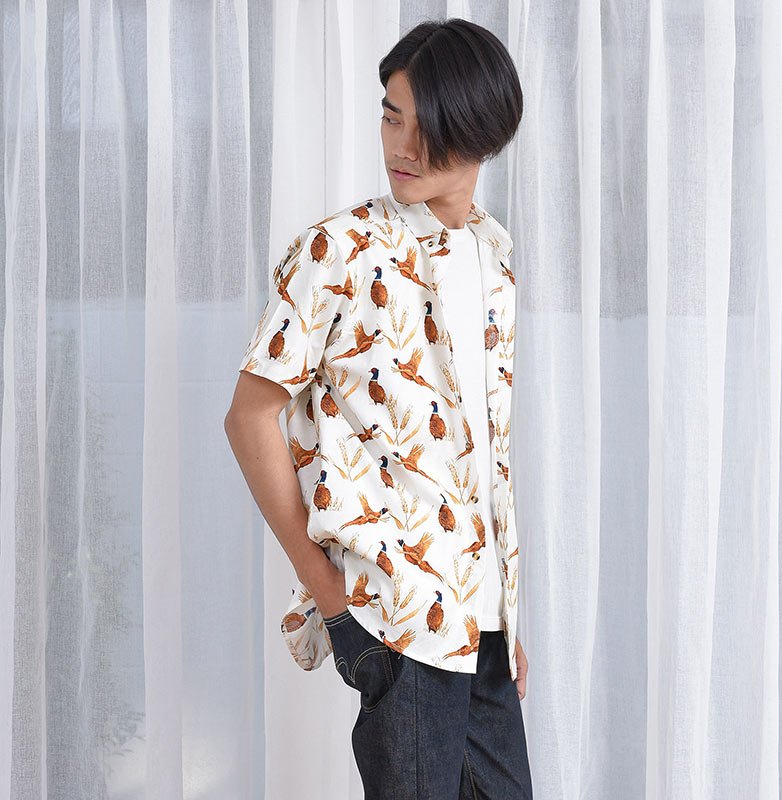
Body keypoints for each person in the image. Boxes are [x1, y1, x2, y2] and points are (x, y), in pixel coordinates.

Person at [225, 17, 532, 799]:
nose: (404, 146)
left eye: (432, 128)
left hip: (484, 631)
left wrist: (504, 614)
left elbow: (482, 455)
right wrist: (329, 595)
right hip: (395, 617)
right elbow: (250, 417)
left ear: (486, 134)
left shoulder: (496, 263)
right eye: (393, 118)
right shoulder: (339, 251)